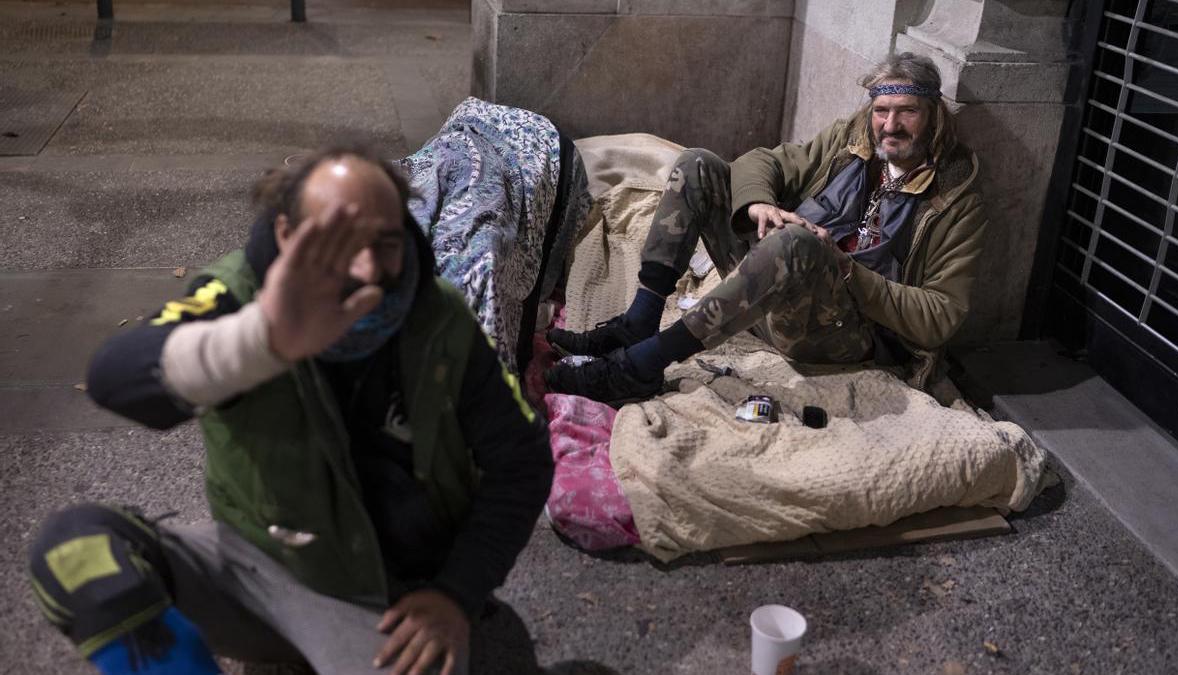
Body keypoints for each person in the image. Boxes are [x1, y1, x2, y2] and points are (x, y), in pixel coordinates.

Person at [27, 147, 553, 675]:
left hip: (383, 600)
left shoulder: (438, 316)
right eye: (340, 243)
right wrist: (265, 339)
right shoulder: (237, 295)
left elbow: (522, 460)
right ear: (285, 234)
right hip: (254, 565)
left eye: (386, 243)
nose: (368, 269)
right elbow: (116, 378)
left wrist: (455, 594)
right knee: (74, 554)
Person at [545, 52, 987, 405]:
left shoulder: (956, 199)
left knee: (795, 243)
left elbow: (940, 318)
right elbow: (763, 161)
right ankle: (638, 322)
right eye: (881, 110)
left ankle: (639, 367)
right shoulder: (853, 138)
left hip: (840, 331)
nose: (889, 126)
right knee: (696, 164)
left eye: (906, 112)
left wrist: (846, 269)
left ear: (933, 114)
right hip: (771, 289)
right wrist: (759, 204)